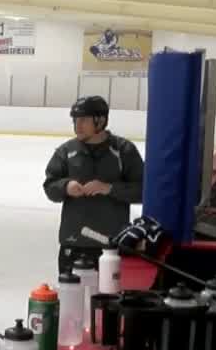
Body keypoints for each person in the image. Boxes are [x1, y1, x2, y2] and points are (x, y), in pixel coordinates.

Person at [44, 95, 144, 272]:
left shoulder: (123, 150)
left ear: (100, 121)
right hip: (73, 242)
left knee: (108, 299)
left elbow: (143, 190)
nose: (78, 126)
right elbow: (50, 186)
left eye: (83, 120)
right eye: (75, 120)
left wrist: (109, 188)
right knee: (71, 297)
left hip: (111, 246)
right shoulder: (66, 151)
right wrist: (66, 187)